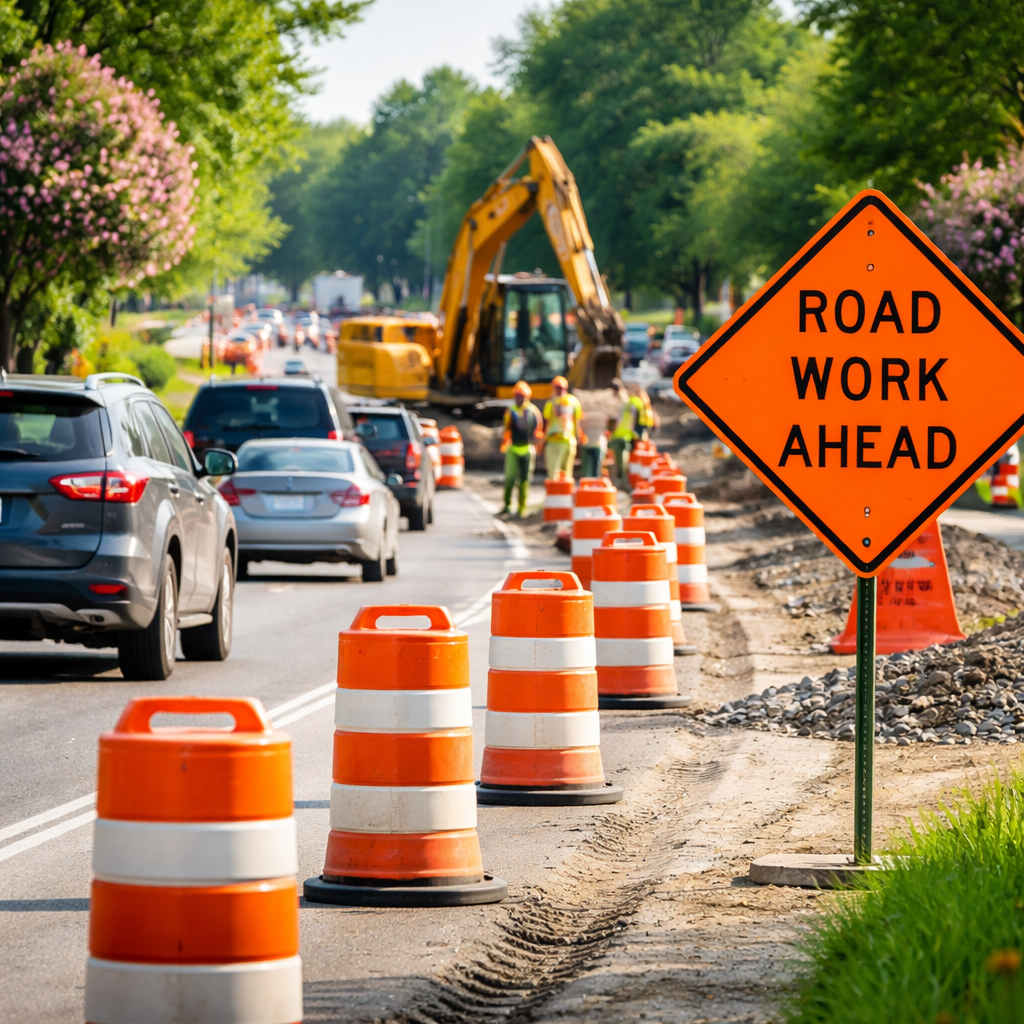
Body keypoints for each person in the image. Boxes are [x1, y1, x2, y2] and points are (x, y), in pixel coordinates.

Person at [500, 380, 544, 516]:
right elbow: (506, 429)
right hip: (513, 448)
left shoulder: (533, 411)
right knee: (509, 478)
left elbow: (538, 429)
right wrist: (505, 441)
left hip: (527, 448)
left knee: (524, 480)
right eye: (517, 396)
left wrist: (538, 445)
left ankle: (522, 507)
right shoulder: (510, 411)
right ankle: (507, 505)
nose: (519, 399)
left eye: (522, 396)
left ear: (527, 397)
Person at [542, 375, 584, 481]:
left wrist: (577, 436)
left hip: (568, 441)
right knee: (553, 474)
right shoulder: (551, 403)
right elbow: (547, 421)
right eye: (557, 387)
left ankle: (565, 495)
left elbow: (577, 420)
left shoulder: (572, 401)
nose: (559, 390)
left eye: (560, 388)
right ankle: (555, 494)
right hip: (553, 440)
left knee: (567, 474)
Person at [609, 378, 644, 481]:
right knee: (620, 462)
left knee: (621, 463)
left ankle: (623, 482)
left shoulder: (627, 402)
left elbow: (640, 419)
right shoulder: (633, 402)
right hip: (621, 436)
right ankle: (621, 482)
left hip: (623, 436)